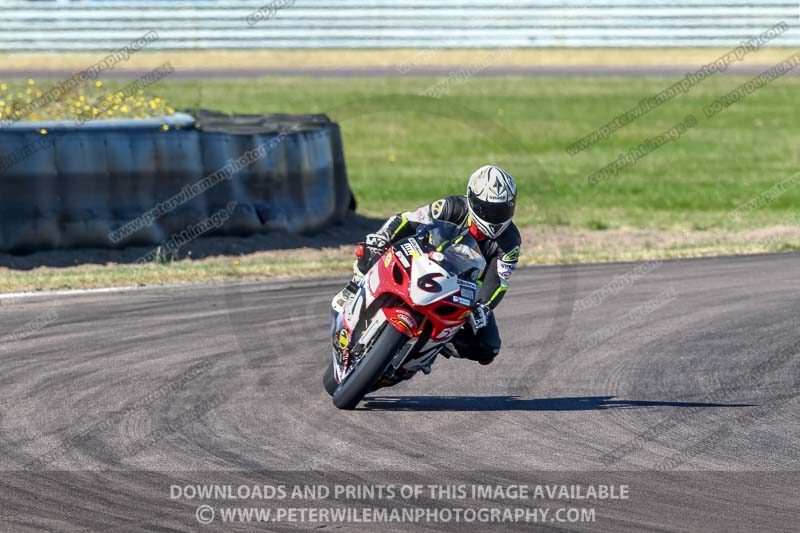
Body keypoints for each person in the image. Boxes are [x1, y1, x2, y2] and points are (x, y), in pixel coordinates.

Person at [333, 164, 521, 366]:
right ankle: (353, 287)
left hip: (464, 290)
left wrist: (483, 307)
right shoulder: (452, 207)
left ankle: (433, 344)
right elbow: (408, 220)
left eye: (502, 209)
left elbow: (499, 280)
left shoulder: (511, 242)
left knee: (488, 348)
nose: (495, 217)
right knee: (371, 248)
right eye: (490, 209)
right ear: (473, 200)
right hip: (425, 262)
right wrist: (382, 237)